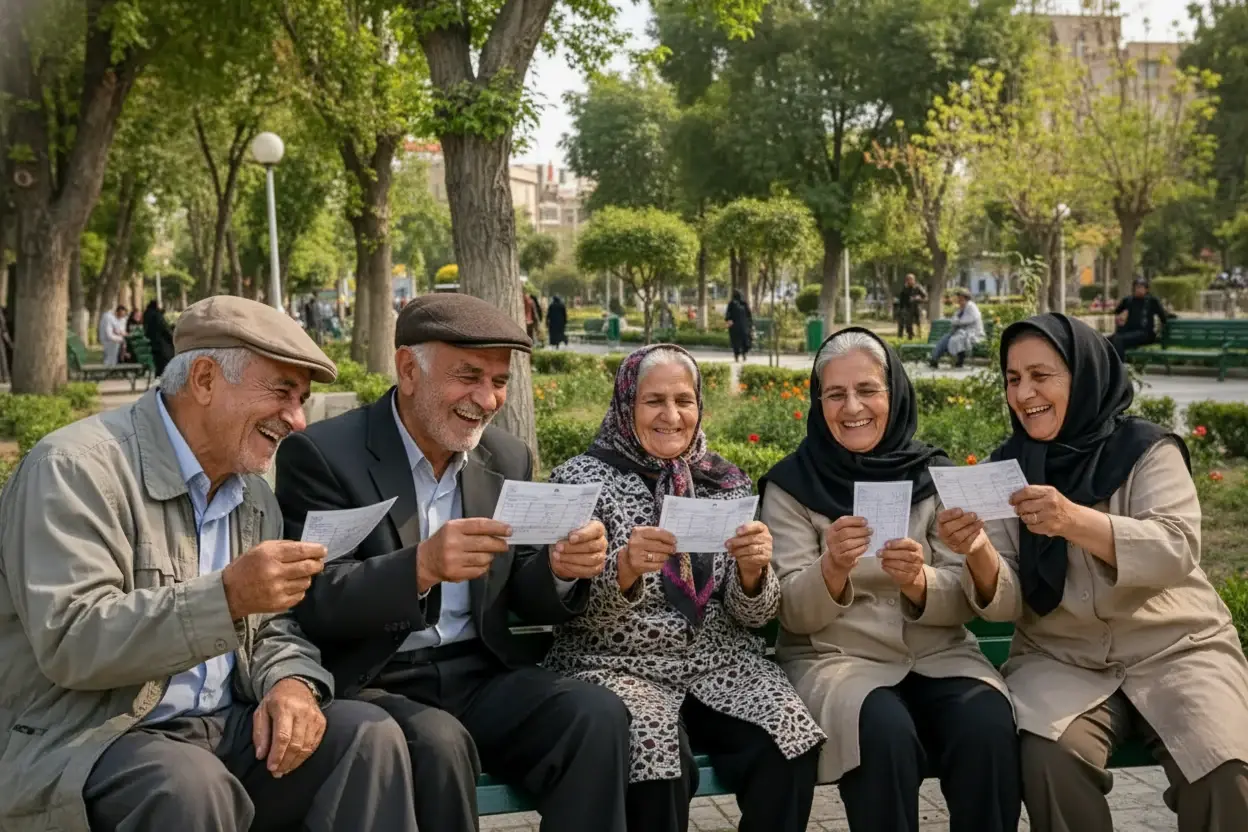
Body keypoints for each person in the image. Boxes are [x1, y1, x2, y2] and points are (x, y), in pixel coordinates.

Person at [0, 295, 419, 832]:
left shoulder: (253, 496)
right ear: (204, 379)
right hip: (91, 739)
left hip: (221, 728)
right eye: (281, 393)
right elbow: (72, 641)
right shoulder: (75, 471)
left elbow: (274, 630)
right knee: (189, 787)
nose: (296, 419)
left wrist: (292, 683)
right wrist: (225, 598)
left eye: (303, 399)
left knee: (367, 737)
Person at [274, 293, 631, 832]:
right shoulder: (325, 454)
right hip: (377, 678)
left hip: (480, 673)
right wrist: (419, 566)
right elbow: (315, 598)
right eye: (468, 376)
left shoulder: (506, 457)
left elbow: (526, 588)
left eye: (499, 381)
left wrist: (561, 568)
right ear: (407, 370)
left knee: (596, 715)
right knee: (439, 743)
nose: (487, 400)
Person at [938, 313, 1248, 832]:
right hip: (1062, 658)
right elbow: (1008, 597)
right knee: (1049, 760)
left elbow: (1175, 548)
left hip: (1176, 648)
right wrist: (977, 552)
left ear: (1082, 377)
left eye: (1041, 375)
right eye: (1013, 379)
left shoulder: (1149, 451)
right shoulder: (1005, 469)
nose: (1024, 393)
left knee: (1226, 770)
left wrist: (1073, 520)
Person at [546, 344, 825, 832]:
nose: (671, 415)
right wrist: (625, 568)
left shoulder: (725, 482)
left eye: (684, 400)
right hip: (617, 664)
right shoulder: (579, 482)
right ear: (626, 402)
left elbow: (755, 616)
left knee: (790, 740)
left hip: (718, 661)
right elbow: (568, 611)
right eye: (654, 401)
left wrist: (753, 573)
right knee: (656, 758)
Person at [761, 328, 1020, 832]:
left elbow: (965, 595)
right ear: (819, 403)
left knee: (987, 724)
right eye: (835, 394)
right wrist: (831, 568)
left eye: (867, 390)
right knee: (883, 733)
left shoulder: (932, 475)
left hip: (938, 656)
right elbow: (792, 610)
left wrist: (920, 583)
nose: (852, 406)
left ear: (894, 393)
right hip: (838, 662)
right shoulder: (792, 485)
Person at [1108, 277, 1167, 359]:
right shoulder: (1128, 300)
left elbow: (1163, 317)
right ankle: (1110, 366)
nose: (1139, 289)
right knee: (1108, 340)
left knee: (1118, 340)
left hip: (1145, 334)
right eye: (1137, 287)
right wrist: (1120, 318)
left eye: (1141, 287)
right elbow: (1117, 312)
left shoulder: (1152, 301)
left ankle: (1120, 367)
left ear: (1146, 289)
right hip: (1129, 332)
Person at [929, 288, 983, 369]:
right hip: (960, 332)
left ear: (966, 298)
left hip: (972, 333)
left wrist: (957, 321)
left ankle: (959, 361)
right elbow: (954, 321)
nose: (959, 302)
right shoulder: (961, 309)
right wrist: (957, 321)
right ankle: (934, 359)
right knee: (945, 339)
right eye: (959, 299)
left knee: (956, 339)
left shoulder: (971, 307)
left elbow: (967, 320)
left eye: (961, 299)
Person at [143, 299, 176, 376]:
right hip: (161, 344)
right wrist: (172, 337)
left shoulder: (147, 313)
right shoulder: (156, 315)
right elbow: (164, 328)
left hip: (153, 343)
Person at [896, 273, 927, 340]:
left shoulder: (918, 287)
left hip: (917, 307)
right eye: (907, 280)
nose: (909, 281)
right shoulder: (905, 288)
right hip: (908, 308)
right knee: (908, 323)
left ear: (914, 280)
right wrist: (900, 309)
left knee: (919, 322)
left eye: (910, 279)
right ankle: (910, 336)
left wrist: (918, 298)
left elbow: (925, 297)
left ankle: (920, 336)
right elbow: (901, 299)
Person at [725, 289, 753, 362]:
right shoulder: (735, 304)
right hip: (739, 327)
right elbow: (728, 314)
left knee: (741, 341)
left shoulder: (742, 303)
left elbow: (749, 315)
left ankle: (742, 355)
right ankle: (738, 355)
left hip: (740, 327)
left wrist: (750, 325)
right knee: (739, 342)